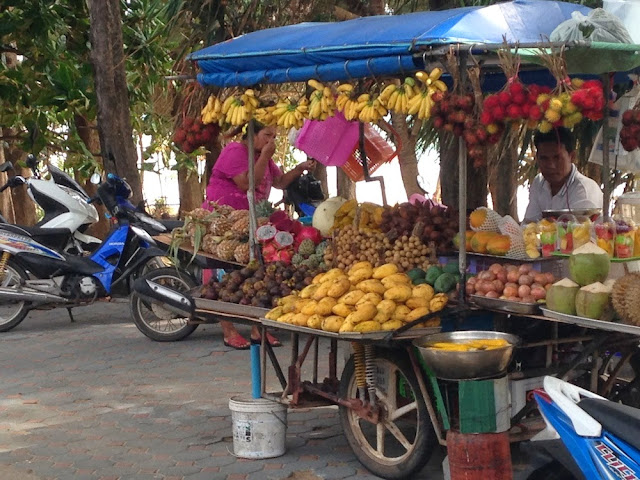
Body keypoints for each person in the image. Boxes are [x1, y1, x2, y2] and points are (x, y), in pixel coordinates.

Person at [203, 123, 316, 350]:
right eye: (267, 135)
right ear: (252, 135)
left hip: (251, 222)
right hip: (224, 225)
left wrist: (300, 168)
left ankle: (258, 330)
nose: (271, 140)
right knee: (223, 278)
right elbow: (247, 183)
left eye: (274, 136)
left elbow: (279, 182)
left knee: (255, 274)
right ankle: (228, 330)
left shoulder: (263, 155)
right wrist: (264, 154)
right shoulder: (235, 151)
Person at [523, 127, 603, 223]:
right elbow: (529, 224)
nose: (551, 165)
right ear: (537, 158)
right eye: (544, 158)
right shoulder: (539, 183)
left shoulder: (584, 190)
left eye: (557, 158)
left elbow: (578, 234)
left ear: (572, 157)